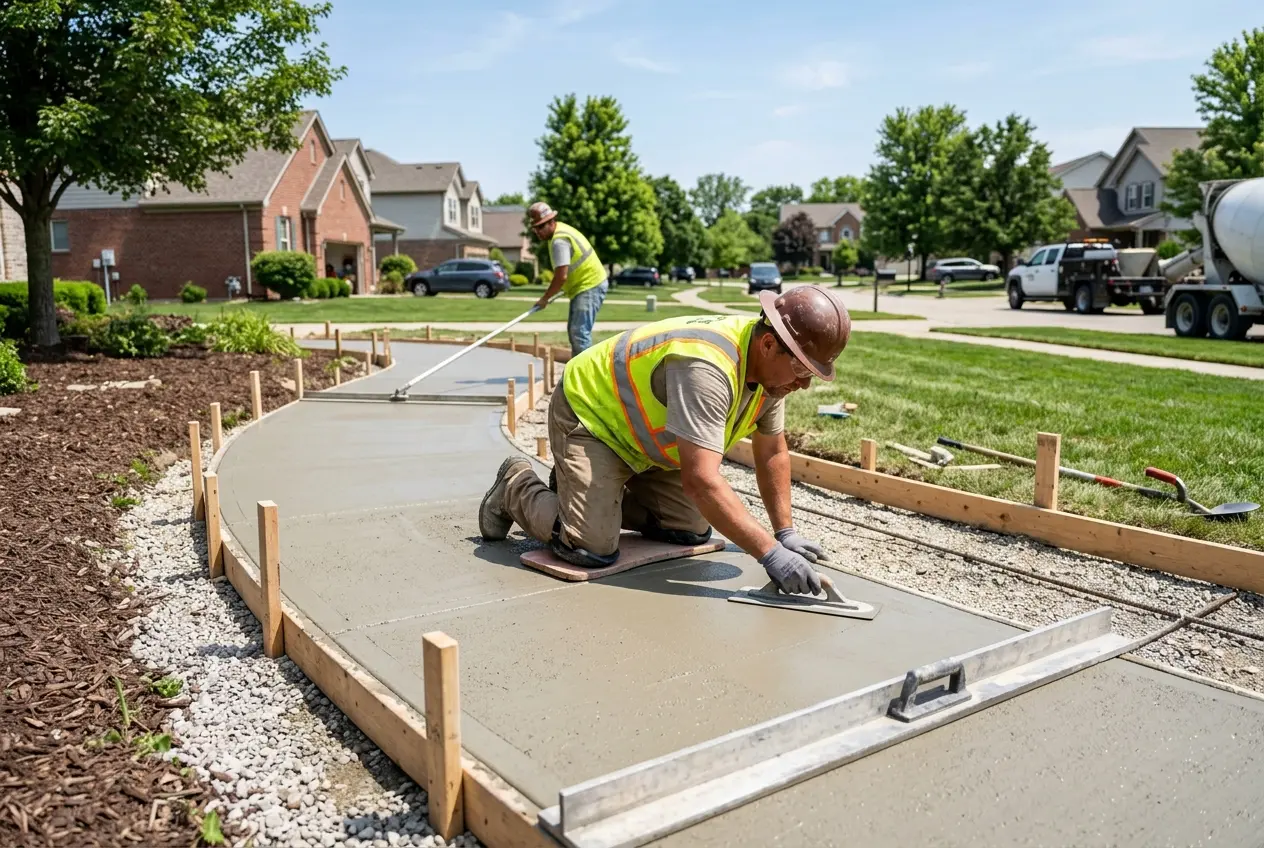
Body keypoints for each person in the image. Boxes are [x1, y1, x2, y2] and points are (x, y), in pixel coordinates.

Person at [478, 285, 852, 596]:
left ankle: (586, 494)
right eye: (802, 368)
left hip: (640, 442)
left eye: (813, 373)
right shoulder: (707, 367)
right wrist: (770, 554)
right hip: (592, 418)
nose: (803, 384)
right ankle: (516, 485)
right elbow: (701, 480)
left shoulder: (772, 378)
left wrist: (784, 532)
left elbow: (772, 451)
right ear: (769, 344)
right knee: (590, 547)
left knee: (688, 529)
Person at [526, 201, 609, 356]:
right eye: (535, 228)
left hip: (590, 284)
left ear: (551, 222)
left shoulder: (559, 241)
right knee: (574, 331)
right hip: (583, 285)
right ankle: (577, 371)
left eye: (540, 227)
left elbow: (561, 276)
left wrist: (545, 298)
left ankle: (585, 376)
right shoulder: (560, 232)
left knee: (579, 333)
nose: (538, 232)